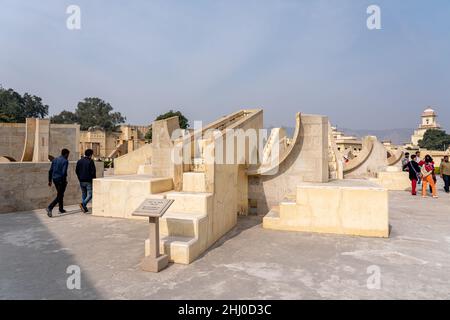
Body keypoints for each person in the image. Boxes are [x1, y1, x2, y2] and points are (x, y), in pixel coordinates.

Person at [47, 149, 70, 217]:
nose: (68, 156)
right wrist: (64, 181)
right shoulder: (65, 161)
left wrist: (50, 180)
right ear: (66, 154)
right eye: (68, 154)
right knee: (60, 195)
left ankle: (61, 209)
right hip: (61, 180)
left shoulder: (55, 159)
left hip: (55, 179)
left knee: (60, 194)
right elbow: (64, 172)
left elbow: (50, 171)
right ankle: (50, 207)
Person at [76, 149, 97, 213]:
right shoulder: (90, 161)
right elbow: (93, 172)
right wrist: (94, 179)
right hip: (88, 180)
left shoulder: (79, 161)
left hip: (81, 180)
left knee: (84, 194)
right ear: (91, 154)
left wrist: (79, 178)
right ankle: (83, 204)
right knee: (90, 194)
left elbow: (76, 171)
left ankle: (84, 207)